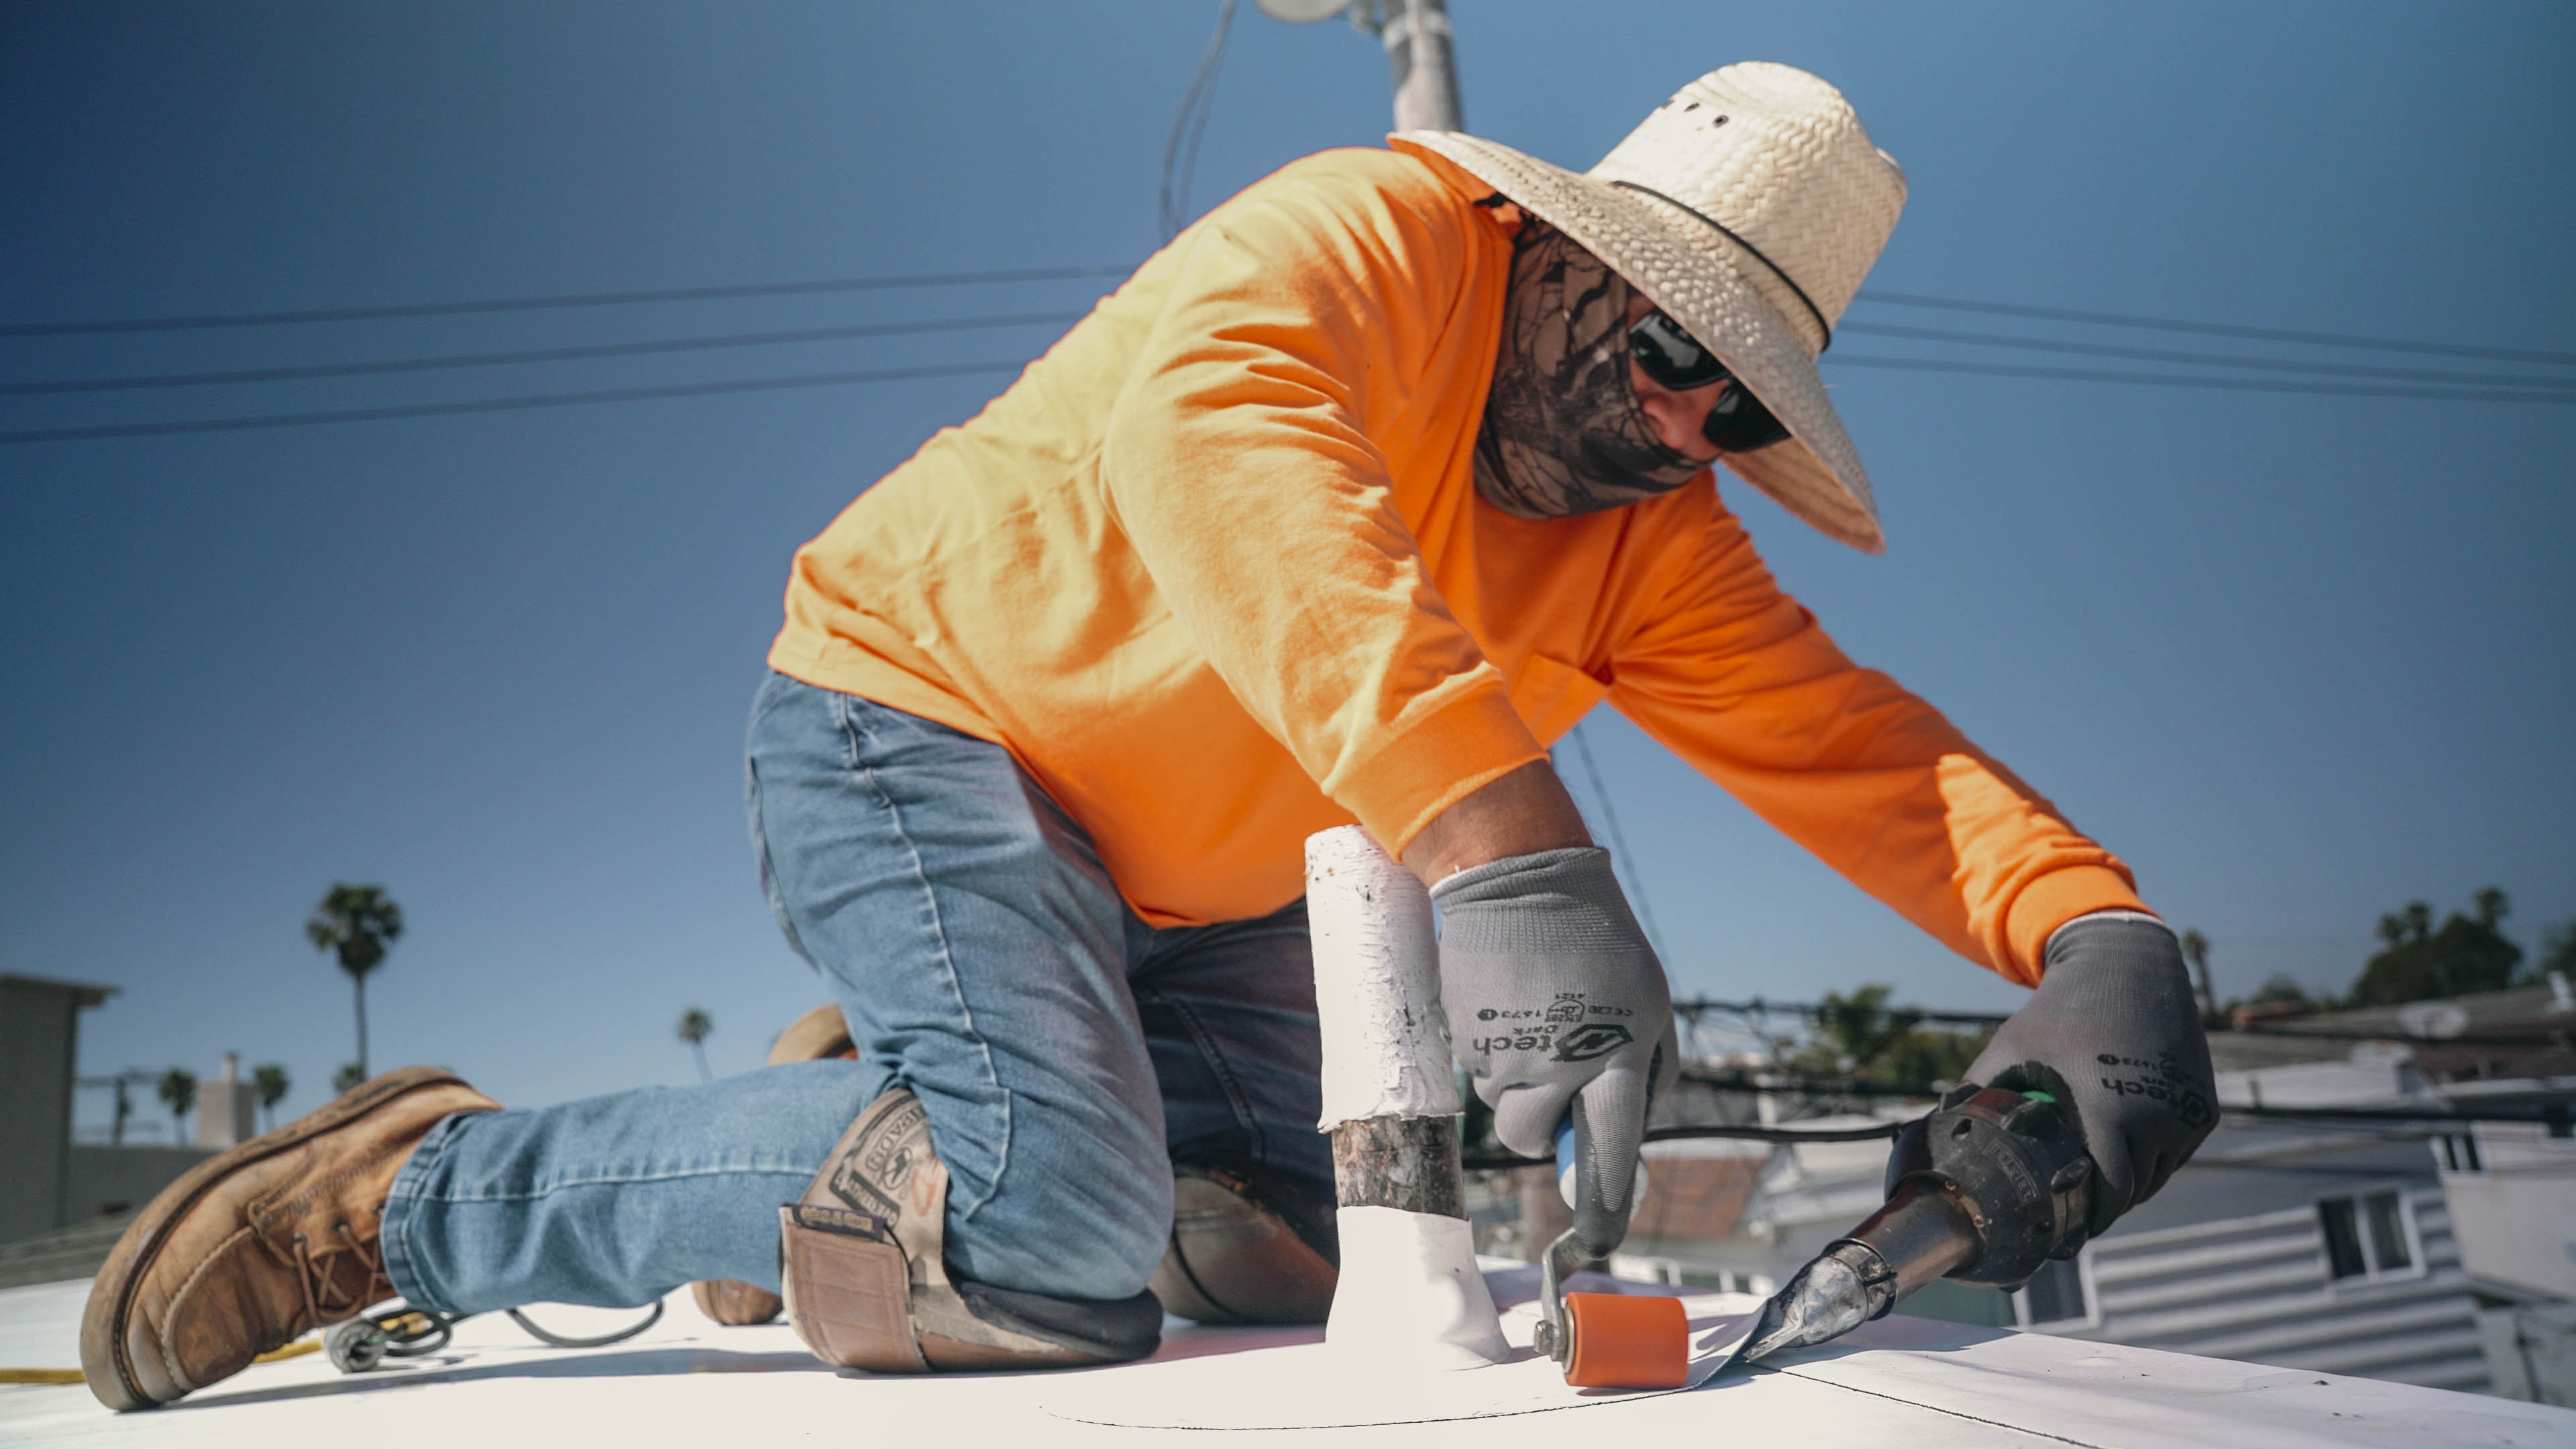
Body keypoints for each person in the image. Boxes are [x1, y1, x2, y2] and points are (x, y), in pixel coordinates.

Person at [80, 61, 2216, 1407]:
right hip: (925, 726)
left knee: (1282, 1258)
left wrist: (2098, 942)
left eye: (1743, 405)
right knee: (1057, 1244)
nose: (1687, 425)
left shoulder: (1655, 538)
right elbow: (1229, 448)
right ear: (1556, 256)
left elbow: (1873, 757)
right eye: (1674, 350)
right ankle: (413, 1199)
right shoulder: (1373, 239)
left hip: (1183, 909)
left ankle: (887, 1137)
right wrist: (1508, 850)